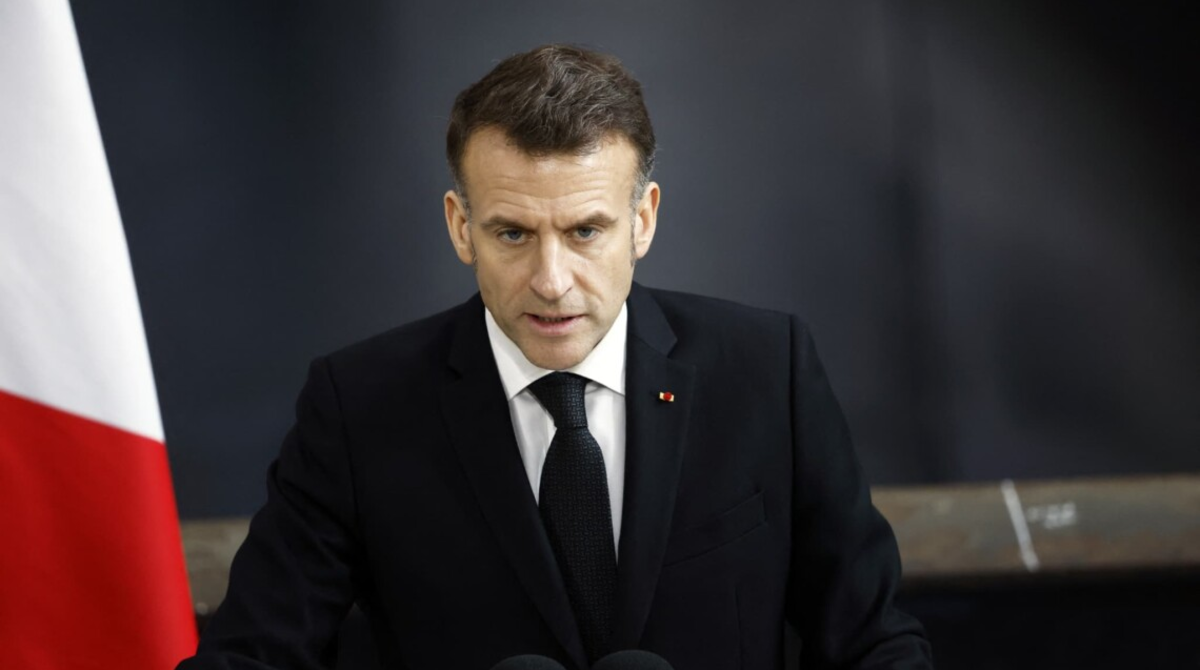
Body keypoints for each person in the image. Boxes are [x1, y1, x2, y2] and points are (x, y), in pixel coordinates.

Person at [179, 44, 932, 670]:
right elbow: (254, 654)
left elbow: (873, 643)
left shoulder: (768, 371)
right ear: (461, 226)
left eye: (584, 232)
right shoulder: (359, 406)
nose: (551, 280)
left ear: (643, 220)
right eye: (512, 233)